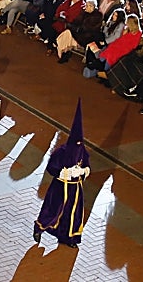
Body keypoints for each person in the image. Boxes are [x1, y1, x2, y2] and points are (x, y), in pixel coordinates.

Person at [34, 100, 90, 248]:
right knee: (54, 210)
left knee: (72, 215)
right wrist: (65, 173)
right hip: (60, 187)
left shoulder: (83, 151)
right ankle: (40, 228)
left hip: (76, 189)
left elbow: (87, 166)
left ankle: (69, 238)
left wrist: (82, 171)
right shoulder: (62, 151)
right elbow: (51, 167)